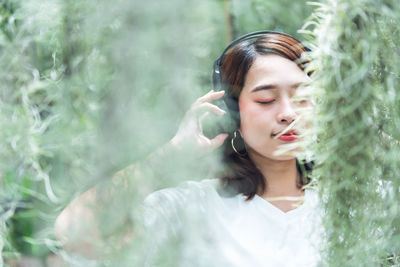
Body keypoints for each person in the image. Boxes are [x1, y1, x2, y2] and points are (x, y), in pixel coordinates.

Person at [55, 31, 323, 266]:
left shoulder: (343, 204)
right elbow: (73, 231)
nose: (288, 113)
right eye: (266, 99)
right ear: (231, 111)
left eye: (302, 97)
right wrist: (171, 154)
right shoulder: (194, 208)